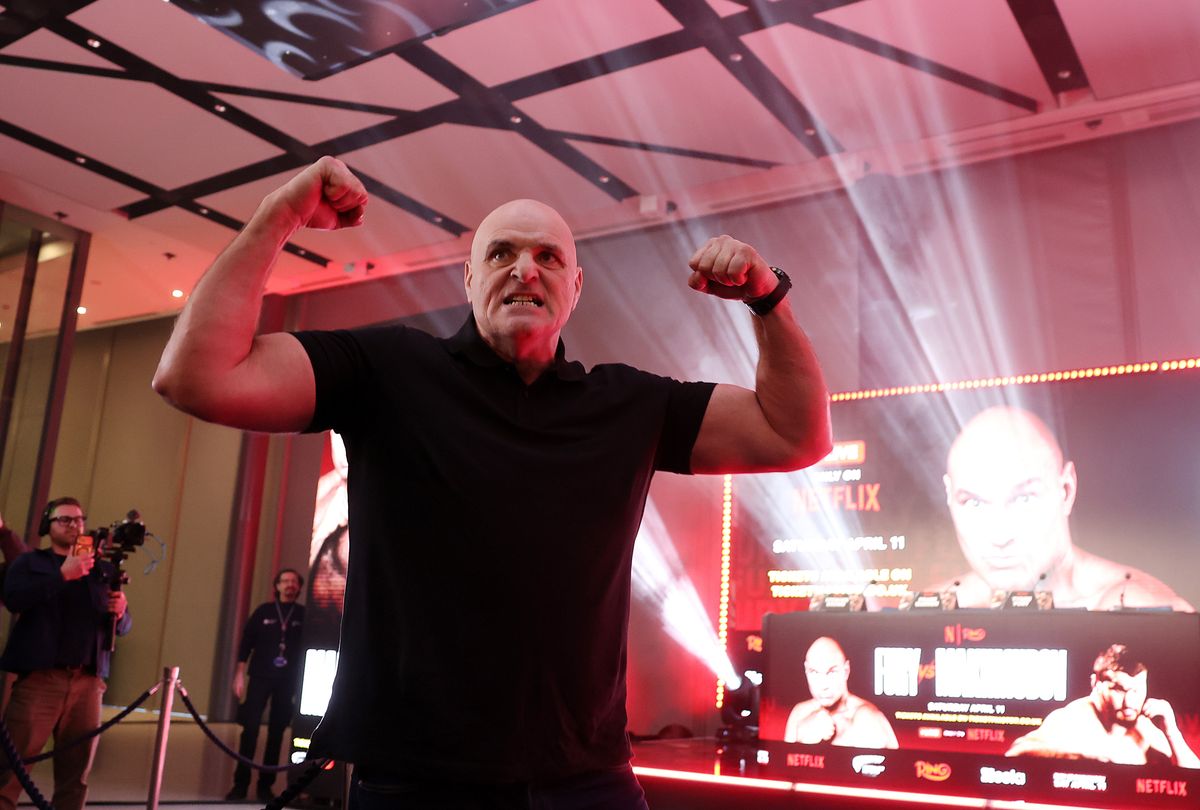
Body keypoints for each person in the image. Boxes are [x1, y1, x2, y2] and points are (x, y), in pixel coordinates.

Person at [152, 156, 831, 808]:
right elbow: (198, 376)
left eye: (548, 257)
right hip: (415, 783)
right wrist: (279, 215)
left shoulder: (628, 406)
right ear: (470, 279)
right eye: (501, 254)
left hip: (587, 779)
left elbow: (795, 435)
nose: (524, 271)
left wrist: (768, 300)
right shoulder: (388, 371)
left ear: (575, 287)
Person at [930, 406, 1192, 610]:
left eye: (1024, 499)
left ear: (1066, 490)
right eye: (974, 503)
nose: (999, 536)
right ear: (949, 496)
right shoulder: (926, 617)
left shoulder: (1144, 613)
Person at [0, 497, 132, 810]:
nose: (74, 525)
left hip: (88, 682)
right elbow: (15, 600)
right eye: (65, 520)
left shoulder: (102, 570)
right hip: (40, 681)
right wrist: (62, 575)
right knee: (11, 771)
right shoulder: (30, 563)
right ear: (48, 526)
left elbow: (121, 627)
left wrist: (123, 613)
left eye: (79, 519)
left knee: (76, 776)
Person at [1006, 644, 1199, 767]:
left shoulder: (1145, 728)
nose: (1130, 701)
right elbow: (1015, 753)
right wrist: (1081, 759)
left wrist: (1172, 732)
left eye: (1137, 691)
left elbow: (1193, 782)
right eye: (1119, 690)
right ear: (1095, 684)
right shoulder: (1072, 719)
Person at [226, 568, 306, 802]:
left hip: (288, 681)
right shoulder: (264, 611)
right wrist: (239, 675)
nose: (289, 585)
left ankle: (265, 786)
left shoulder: (303, 614)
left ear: (299, 587)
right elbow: (246, 643)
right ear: (277, 586)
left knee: (277, 733)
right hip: (260, 677)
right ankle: (240, 785)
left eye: (294, 581)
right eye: (285, 581)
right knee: (249, 730)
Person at [783, 636, 898, 748]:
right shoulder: (800, 712)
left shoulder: (866, 718)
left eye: (832, 672)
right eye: (814, 672)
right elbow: (782, 763)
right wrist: (803, 740)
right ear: (806, 670)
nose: (823, 685)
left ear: (846, 671)